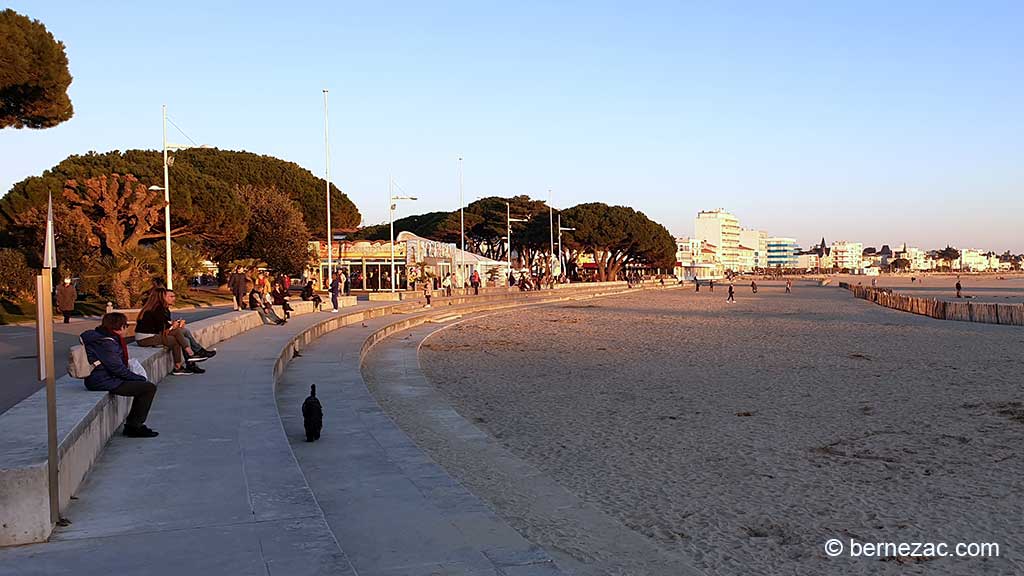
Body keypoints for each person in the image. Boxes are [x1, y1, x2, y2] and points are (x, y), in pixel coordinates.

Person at [82, 312, 159, 438]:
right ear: (121, 327)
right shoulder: (106, 343)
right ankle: (134, 426)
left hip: (103, 377)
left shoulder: (103, 338)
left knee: (145, 387)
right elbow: (117, 369)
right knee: (148, 388)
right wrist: (139, 378)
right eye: (126, 325)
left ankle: (134, 424)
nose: (127, 328)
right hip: (103, 380)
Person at [135, 288, 205, 375]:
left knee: (179, 333)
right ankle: (185, 359)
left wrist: (174, 324)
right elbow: (162, 328)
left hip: (151, 335)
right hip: (146, 338)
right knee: (176, 339)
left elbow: (163, 324)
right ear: (161, 297)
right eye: (168, 296)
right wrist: (173, 326)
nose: (173, 298)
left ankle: (186, 359)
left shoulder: (157, 308)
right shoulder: (157, 309)